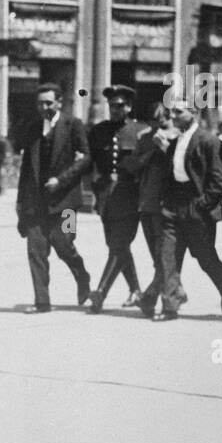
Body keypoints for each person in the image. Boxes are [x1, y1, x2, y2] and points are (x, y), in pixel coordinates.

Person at [155, 92, 222, 321]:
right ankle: (169, 306)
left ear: (195, 113)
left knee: (204, 256)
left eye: (179, 111)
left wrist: (202, 204)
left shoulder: (207, 140)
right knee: (168, 256)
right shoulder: (176, 140)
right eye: (172, 111)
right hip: (173, 205)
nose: (173, 115)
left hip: (196, 204)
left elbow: (219, 179)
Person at [15, 83, 92, 312]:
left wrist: (61, 180)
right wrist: (20, 202)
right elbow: (26, 169)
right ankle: (42, 302)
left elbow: (86, 158)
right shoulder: (32, 127)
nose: (44, 107)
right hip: (36, 202)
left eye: (48, 102)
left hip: (68, 204)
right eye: (40, 103)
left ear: (59, 102)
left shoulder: (73, 125)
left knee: (64, 243)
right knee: (36, 251)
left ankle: (82, 275)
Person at [86, 85, 146, 313]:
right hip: (106, 197)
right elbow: (91, 162)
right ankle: (135, 290)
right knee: (117, 245)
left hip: (130, 197)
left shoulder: (140, 131)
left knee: (118, 244)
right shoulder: (99, 131)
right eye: (111, 105)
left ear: (129, 107)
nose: (115, 109)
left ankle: (100, 292)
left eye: (120, 105)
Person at [129, 101, 172, 318]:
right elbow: (133, 165)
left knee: (164, 256)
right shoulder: (144, 137)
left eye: (162, 119)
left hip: (166, 205)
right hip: (146, 202)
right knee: (157, 257)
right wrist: (150, 152)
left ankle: (158, 299)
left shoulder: (176, 136)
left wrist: (165, 148)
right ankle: (164, 295)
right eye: (154, 120)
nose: (158, 124)